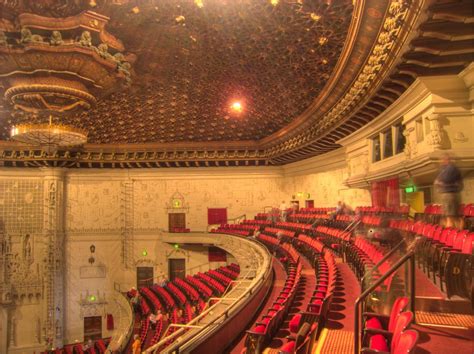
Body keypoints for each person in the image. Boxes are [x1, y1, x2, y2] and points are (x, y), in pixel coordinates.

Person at [434, 154, 463, 228]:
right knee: (449, 217)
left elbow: (444, 179)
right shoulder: (446, 169)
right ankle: (452, 234)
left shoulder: (451, 169)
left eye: (443, 159)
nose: (441, 161)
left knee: (450, 217)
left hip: (450, 195)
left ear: (447, 160)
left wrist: (439, 181)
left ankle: (453, 235)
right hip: (449, 194)